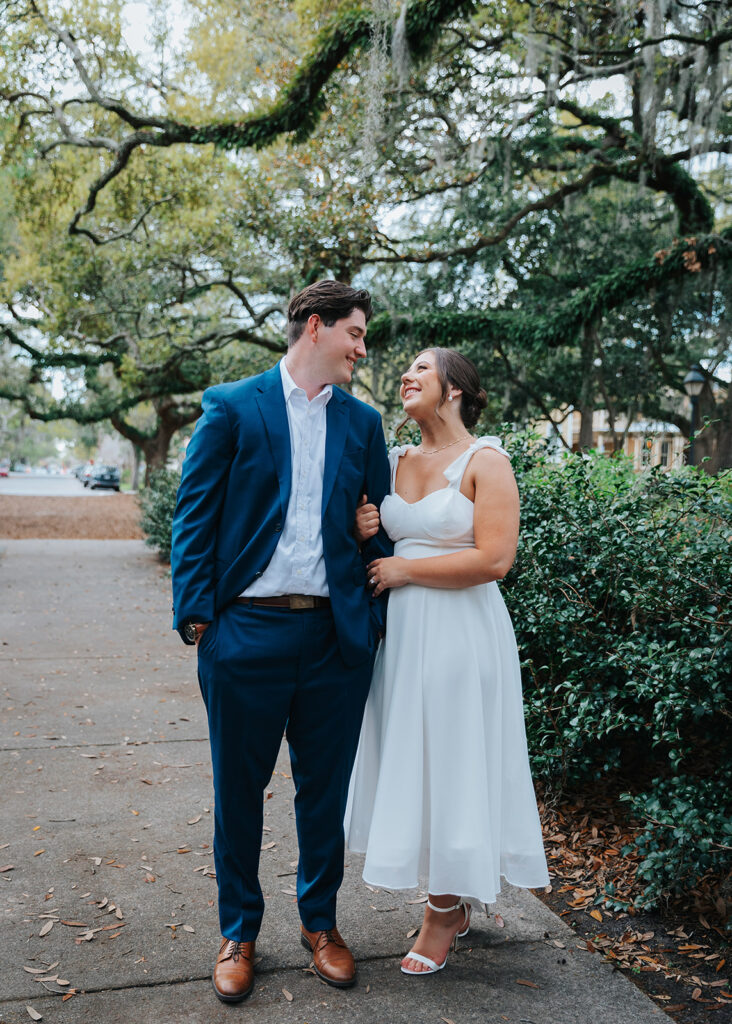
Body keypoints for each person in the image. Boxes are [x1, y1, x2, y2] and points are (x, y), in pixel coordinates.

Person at [170, 280, 391, 1003]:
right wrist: (198, 618)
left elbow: (379, 527)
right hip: (246, 633)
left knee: (324, 794)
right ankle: (238, 932)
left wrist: (369, 611)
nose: (362, 348)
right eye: (355, 333)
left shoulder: (363, 423)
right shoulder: (233, 406)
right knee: (238, 792)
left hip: (334, 639)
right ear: (316, 327)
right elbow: (195, 513)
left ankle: (320, 924)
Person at [346, 347, 549, 976]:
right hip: (404, 636)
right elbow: (378, 538)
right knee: (416, 758)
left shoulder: (486, 461)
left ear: (454, 388)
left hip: (463, 633)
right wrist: (365, 529)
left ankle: (442, 910)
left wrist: (405, 569)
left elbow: (495, 559)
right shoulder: (393, 460)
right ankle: (448, 898)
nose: (407, 376)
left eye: (421, 369)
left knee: (455, 758)